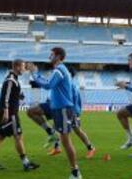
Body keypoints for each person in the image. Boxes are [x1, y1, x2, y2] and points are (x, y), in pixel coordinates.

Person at [27, 47, 82, 179]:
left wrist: (35, 73)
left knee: (66, 141)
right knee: (31, 111)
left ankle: (75, 172)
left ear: (58, 56)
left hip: (63, 109)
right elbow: (48, 84)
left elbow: (48, 85)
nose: (49, 57)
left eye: (51, 54)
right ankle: (51, 133)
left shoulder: (60, 69)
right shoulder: (58, 70)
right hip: (56, 107)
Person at [0, 59, 39, 171]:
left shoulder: (13, 79)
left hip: (7, 112)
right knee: (18, 136)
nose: (24, 69)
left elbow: (10, 94)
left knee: (0, 137)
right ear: (16, 67)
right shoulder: (11, 79)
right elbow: (6, 97)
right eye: (23, 66)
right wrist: (6, 112)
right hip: (10, 113)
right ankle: (26, 163)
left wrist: (19, 96)